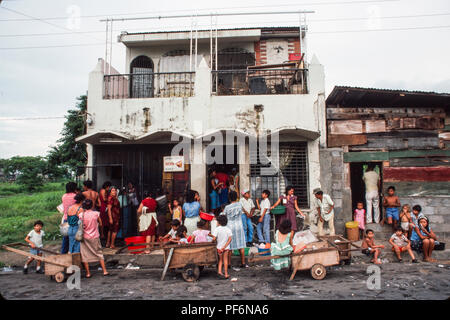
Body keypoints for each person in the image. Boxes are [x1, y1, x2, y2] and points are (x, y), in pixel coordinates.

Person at [78, 199, 110, 277]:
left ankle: (88, 273)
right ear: (92, 205)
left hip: (85, 237)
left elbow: (79, 220)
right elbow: (101, 224)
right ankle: (104, 271)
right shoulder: (96, 213)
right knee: (99, 253)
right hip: (95, 236)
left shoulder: (81, 215)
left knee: (85, 255)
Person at [223, 190, 247, 268]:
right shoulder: (240, 204)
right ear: (236, 197)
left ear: (229, 198)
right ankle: (243, 263)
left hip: (230, 227)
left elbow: (224, 216)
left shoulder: (227, 207)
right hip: (239, 226)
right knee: (241, 245)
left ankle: (229, 264)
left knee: (230, 246)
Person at [210, 215, 232, 279]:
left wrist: (211, 239)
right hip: (226, 248)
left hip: (219, 248)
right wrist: (225, 246)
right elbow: (230, 239)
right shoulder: (228, 229)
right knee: (225, 260)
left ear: (219, 222)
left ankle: (219, 272)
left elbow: (214, 238)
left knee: (220, 260)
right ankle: (226, 274)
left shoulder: (217, 229)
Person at [61, 181, 77, 254]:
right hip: (74, 220)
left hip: (65, 219)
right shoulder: (75, 196)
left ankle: (63, 254)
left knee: (65, 239)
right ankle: (72, 254)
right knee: (74, 239)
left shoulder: (64, 196)